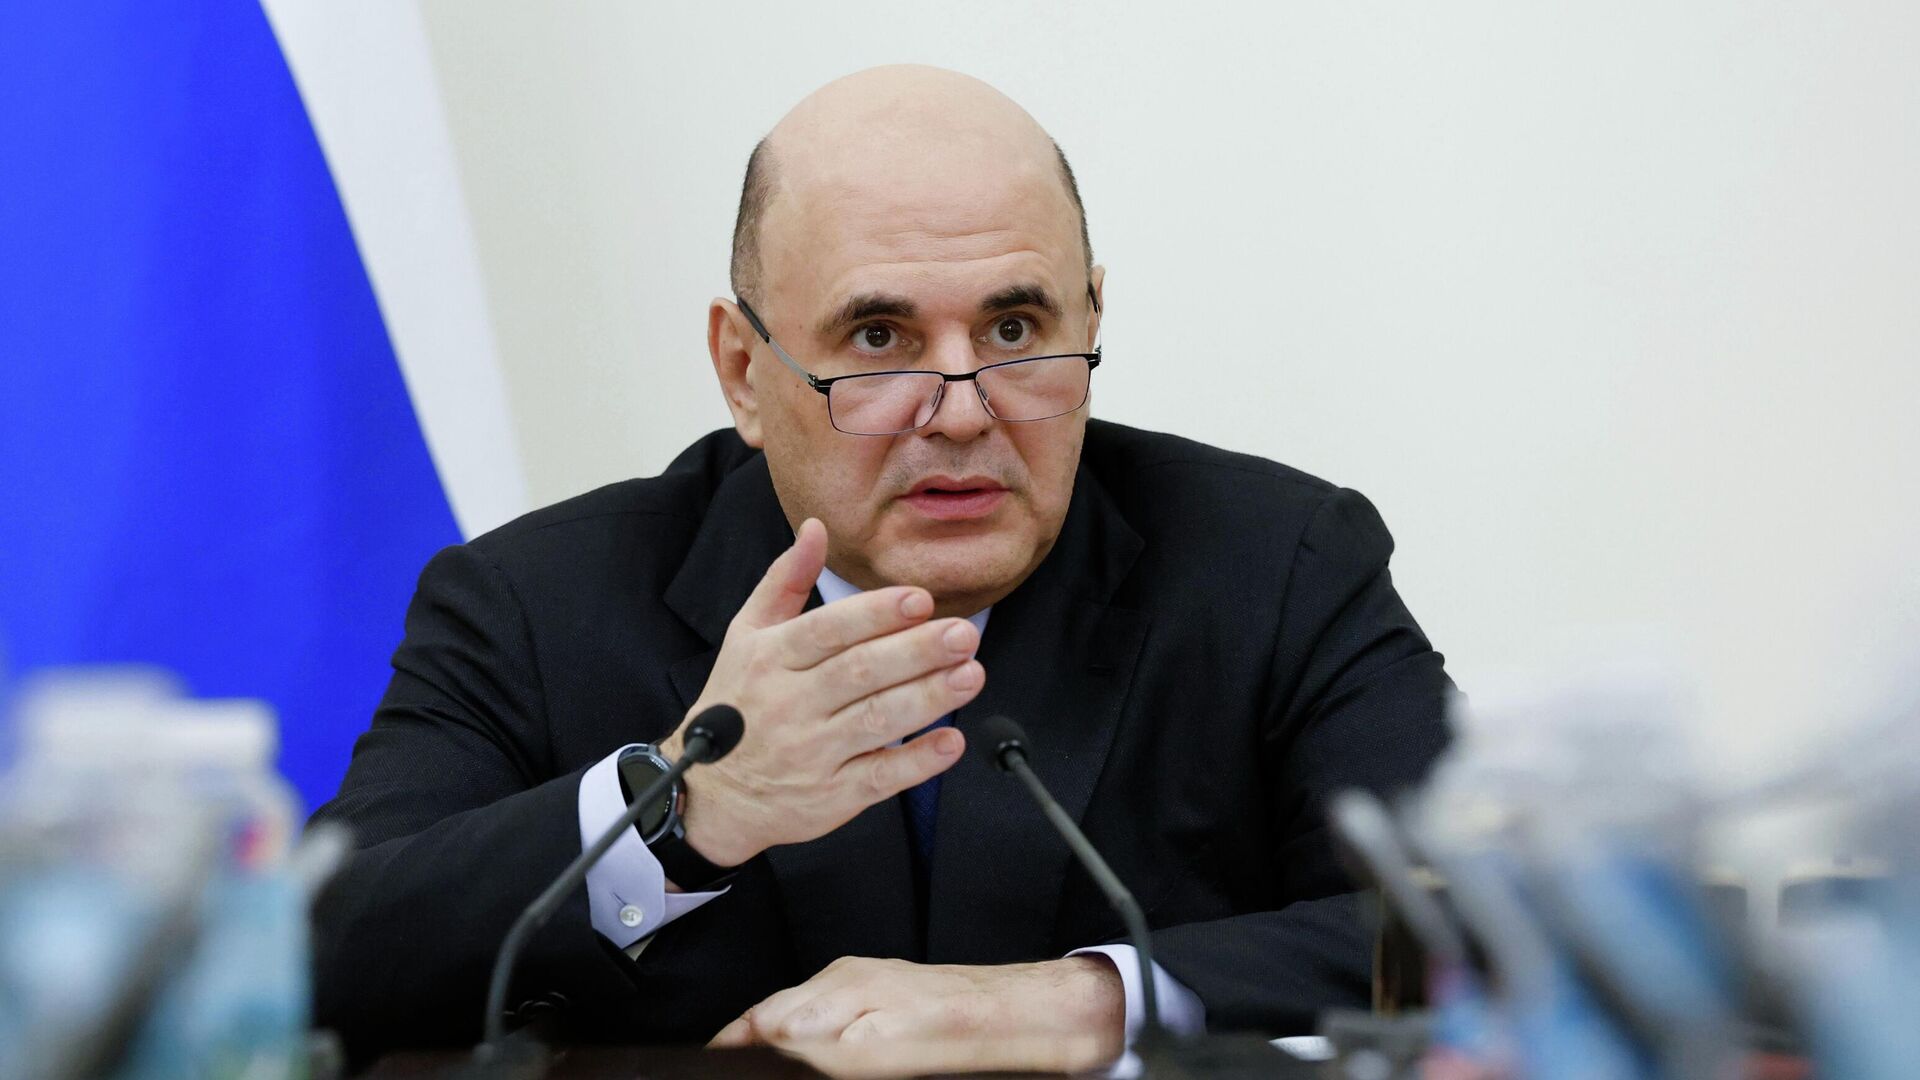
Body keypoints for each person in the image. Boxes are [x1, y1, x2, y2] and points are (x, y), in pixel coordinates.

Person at [311, 65, 1453, 1071]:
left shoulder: (1278, 565)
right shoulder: (533, 607)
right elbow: (319, 963)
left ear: (1092, 315)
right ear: (743, 370)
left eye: (1015, 331)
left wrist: (1078, 1003)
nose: (961, 413)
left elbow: (1489, 925)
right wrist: (682, 813)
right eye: (878, 339)